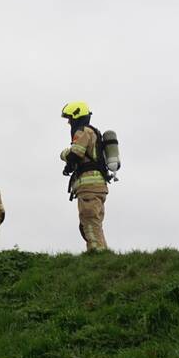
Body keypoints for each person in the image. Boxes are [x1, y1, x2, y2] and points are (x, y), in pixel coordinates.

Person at [60, 101, 109, 252]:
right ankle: (102, 251)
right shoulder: (94, 132)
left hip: (89, 186)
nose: (69, 122)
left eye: (70, 118)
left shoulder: (82, 131)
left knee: (89, 221)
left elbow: (76, 153)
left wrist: (64, 155)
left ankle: (96, 253)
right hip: (99, 185)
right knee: (95, 222)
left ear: (76, 116)